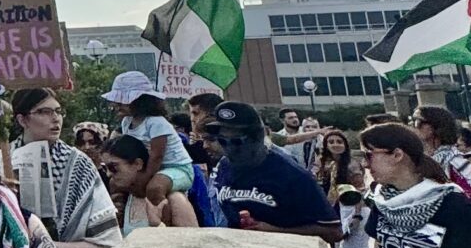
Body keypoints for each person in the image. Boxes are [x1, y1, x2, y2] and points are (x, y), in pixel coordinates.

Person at [7, 87, 121, 248]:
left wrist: (43, 246)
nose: (55, 119)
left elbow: (107, 245)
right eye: (44, 112)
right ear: (22, 120)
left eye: (58, 111)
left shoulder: (79, 164)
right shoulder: (2, 162)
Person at [204, 102, 341, 238]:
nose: (229, 148)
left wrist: (274, 230)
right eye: (222, 141)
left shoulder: (292, 174)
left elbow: (334, 232)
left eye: (237, 141)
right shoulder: (224, 166)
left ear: (256, 138)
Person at [102, 72, 195, 191]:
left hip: (177, 168)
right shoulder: (126, 122)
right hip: (150, 167)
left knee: (155, 188)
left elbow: (157, 156)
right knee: (115, 184)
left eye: (122, 102)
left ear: (140, 101)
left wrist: (145, 178)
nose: (116, 105)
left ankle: (161, 203)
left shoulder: (156, 123)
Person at [97, 134, 199, 231]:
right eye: (105, 168)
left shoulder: (175, 199)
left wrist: (158, 226)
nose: (108, 174)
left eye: (113, 167)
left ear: (138, 164)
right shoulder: (126, 197)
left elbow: (193, 241)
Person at [415, 105, 471, 196]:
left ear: (434, 126)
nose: (414, 126)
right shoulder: (423, 157)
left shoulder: (454, 160)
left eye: (418, 121)